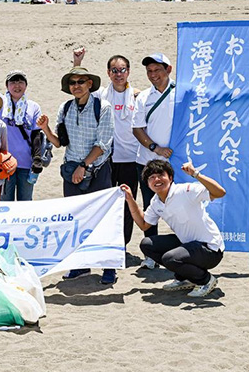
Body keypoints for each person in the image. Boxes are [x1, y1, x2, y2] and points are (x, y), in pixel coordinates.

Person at [37, 66, 116, 284]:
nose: (77, 86)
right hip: (71, 170)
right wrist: (45, 129)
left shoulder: (103, 107)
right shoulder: (65, 107)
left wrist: (84, 165)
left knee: (103, 219)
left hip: (98, 170)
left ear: (90, 84)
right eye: (73, 83)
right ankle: (80, 266)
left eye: (81, 81)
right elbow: (61, 141)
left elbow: (103, 143)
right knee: (75, 220)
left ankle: (109, 268)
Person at [121, 160, 225, 297]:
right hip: (188, 245)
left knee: (170, 258)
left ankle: (205, 280)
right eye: (151, 177)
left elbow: (220, 192)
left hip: (210, 249)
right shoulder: (156, 202)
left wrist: (195, 174)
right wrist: (130, 200)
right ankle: (186, 277)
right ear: (147, 184)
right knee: (147, 245)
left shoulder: (185, 190)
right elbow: (144, 224)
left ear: (170, 178)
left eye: (160, 175)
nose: (156, 179)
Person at [73, 48, 141, 249]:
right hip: (107, 160)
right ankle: (104, 242)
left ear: (128, 72)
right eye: (114, 70)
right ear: (108, 73)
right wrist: (77, 62)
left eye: (122, 70)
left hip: (130, 159)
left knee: (128, 203)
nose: (118, 74)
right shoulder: (102, 94)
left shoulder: (138, 96)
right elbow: (79, 89)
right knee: (105, 203)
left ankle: (123, 243)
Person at [0, 56, 45, 201]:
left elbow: (36, 135)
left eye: (20, 82)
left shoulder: (33, 107)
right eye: (13, 82)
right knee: (6, 202)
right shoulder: (0, 103)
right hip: (4, 163)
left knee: (25, 202)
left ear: (26, 85)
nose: (17, 85)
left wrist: (37, 159)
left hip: (26, 163)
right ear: (7, 86)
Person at [132, 53, 176, 270]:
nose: (153, 75)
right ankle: (151, 254)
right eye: (149, 71)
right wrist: (155, 148)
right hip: (148, 162)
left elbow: (212, 100)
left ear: (168, 69)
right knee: (150, 206)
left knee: (180, 206)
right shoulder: (143, 97)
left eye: (157, 70)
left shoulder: (182, 92)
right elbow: (137, 128)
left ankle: (184, 251)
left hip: (176, 162)